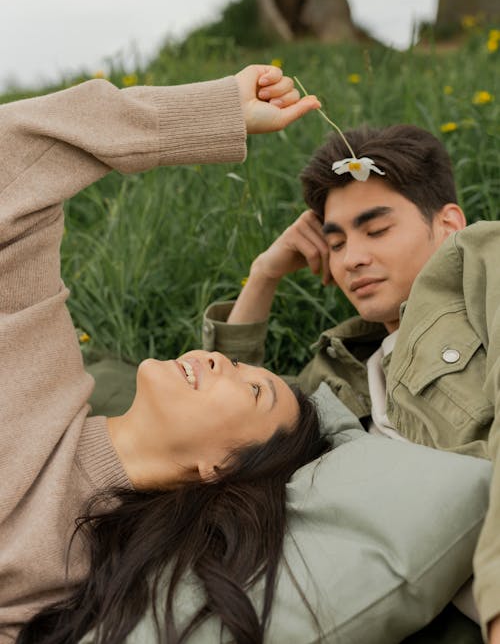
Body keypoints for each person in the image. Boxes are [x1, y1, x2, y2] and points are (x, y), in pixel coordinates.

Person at [0, 65, 328, 644]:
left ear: (220, 469)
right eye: (246, 366)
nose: (224, 360)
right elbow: (15, 155)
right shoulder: (38, 357)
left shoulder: (80, 574)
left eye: (254, 387)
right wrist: (210, 110)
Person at [203, 124, 500, 642]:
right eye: (334, 241)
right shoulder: (337, 374)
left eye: (376, 230)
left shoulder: (481, 259)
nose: (351, 259)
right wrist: (264, 275)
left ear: (449, 223)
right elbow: (216, 424)